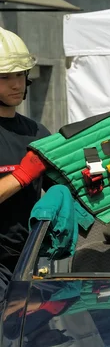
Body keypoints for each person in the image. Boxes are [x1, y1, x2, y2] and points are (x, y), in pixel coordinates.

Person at [0, 27, 51, 300]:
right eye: (5, 77)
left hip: (31, 261)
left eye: (20, 74)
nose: (16, 84)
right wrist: (22, 175)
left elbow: (71, 187)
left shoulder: (37, 133)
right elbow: (23, 176)